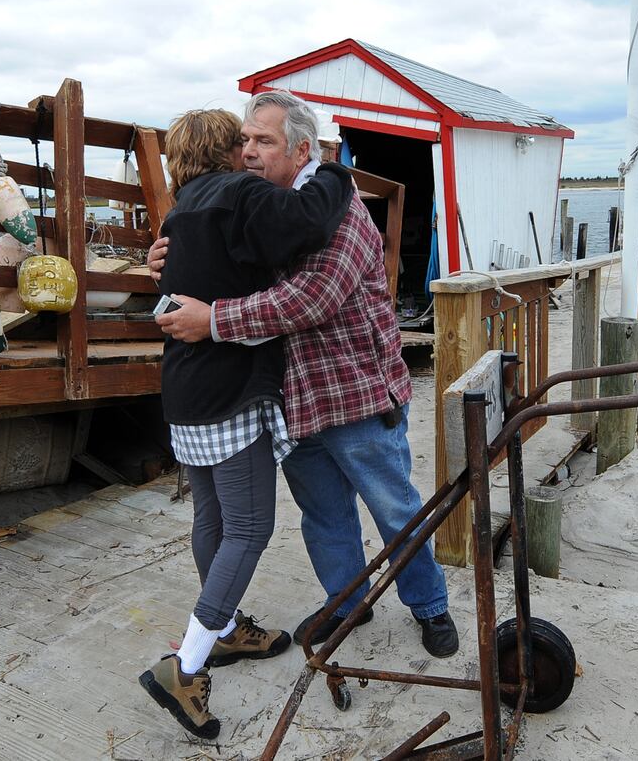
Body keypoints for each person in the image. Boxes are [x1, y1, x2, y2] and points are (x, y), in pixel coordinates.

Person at [152, 89, 459, 662]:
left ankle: (430, 605)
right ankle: (346, 603)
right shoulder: (263, 209)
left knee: (395, 510)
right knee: (323, 515)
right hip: (293, 401)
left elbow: (309, 299)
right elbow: (221, 262)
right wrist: (169, 259)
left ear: (300, 150)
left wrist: (212, 320)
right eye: (244, 139)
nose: (248, 151)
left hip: (356, 394)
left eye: (263, 141)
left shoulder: (336, 210)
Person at [139, 108, 355, 741]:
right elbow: (307, 220)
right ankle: (186, 665)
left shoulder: (180, 212)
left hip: (184, 389)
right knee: (252, 525)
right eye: (244, 141)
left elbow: (190, 275)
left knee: (212, 518)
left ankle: (228, 630)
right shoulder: (238, 192)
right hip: (229, 391)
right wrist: (334, 171)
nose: (252, 150)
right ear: (227, 149)